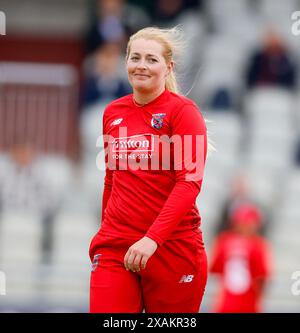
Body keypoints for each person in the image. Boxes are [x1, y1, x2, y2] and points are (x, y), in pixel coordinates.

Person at [89, 26, 209, 313]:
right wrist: (106, 233)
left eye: (151, 59)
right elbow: (111, 180)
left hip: (172, 249)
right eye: (135, 57)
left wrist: (151, 239)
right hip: (116, 248)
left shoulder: (184, 112)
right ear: (126, 62)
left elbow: (189, 184)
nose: (141, 65)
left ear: (168, 67)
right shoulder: (112, 113)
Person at [209, 203, 272, 313]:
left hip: (228, 302)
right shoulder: (258, 245)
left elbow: (215, 269)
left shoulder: (224, 240)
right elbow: (263, 276)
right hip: (247, 303)